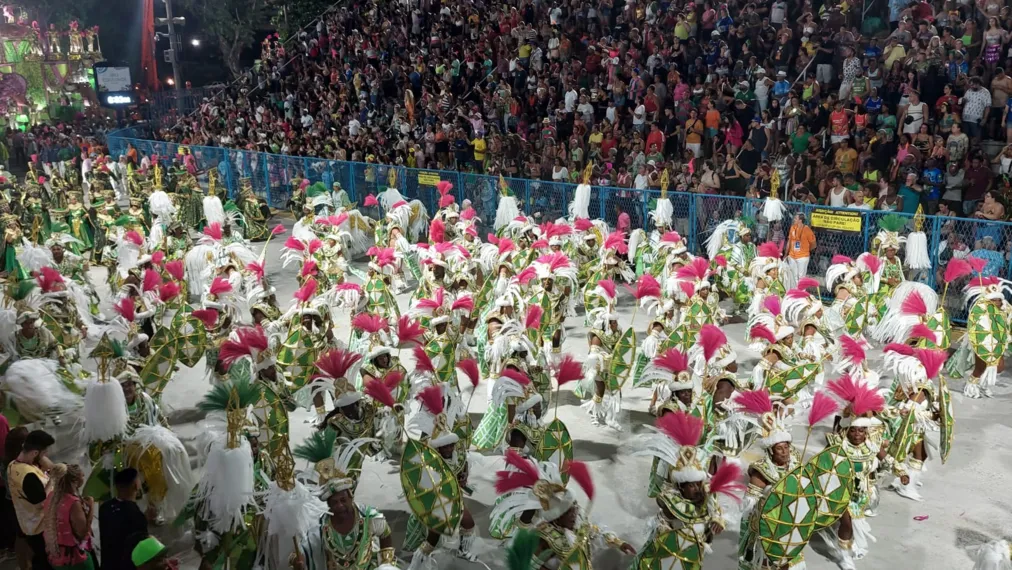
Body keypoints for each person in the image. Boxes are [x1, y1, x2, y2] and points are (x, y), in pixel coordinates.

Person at [7, 430, 56, 570]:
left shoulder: (13, 465)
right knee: (46, 562)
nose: (46, 455)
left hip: (29, 524)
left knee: (39, 558)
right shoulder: (28, 476)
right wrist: (52, 480)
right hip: (39, 528)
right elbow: (41, 502)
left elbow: (48, 466)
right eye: (44, 452)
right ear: (34, 453)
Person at [41, 464, 95, 570]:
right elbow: (83, 533)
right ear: (74, 480)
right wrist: (91, 508)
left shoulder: (51, 497)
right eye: (82, 476)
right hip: (74, 559)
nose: (84, 476)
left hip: (56, 557)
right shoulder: (73, 503)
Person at [98, 468, 148, 570]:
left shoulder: (105, 507)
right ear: (136, 485)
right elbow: (142, 549)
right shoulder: (136, 515)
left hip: (108, 565)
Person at [786, 213, 816, 283]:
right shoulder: (792, 227)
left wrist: (805, 251)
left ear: (800, 220)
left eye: (796, 218)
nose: (794, 220)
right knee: (793, 276)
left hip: (802, 257)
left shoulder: (806, 229)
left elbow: (814, 244)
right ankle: (794, 292)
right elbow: (789, 241)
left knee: (801, 277)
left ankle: (801, 293)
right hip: (792, 256)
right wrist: (786, 253)